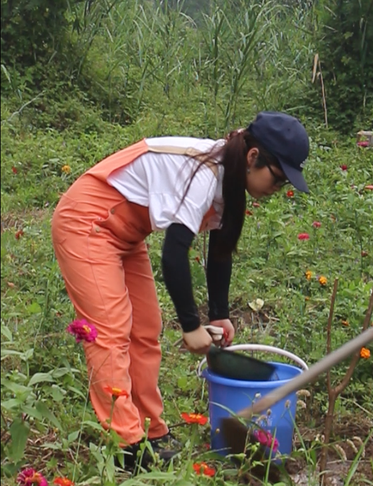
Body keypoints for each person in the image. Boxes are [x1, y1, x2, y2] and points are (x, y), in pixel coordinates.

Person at [51, 111, 310, 470]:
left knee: (146, 328)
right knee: (110, 329)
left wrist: (219, 312)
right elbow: (175, 252)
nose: (277, 189)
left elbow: (220, 250)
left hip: (126, 233)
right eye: (279, 179)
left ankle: (151, 430)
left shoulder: (231, 176)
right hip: (88, 221)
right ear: (254, 158)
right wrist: (190, 325)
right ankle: (127, 445)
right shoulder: (204, 173)